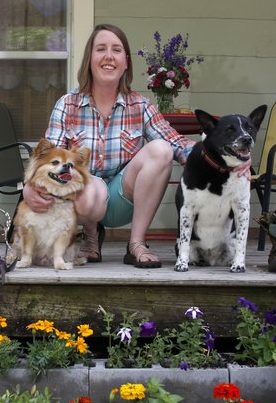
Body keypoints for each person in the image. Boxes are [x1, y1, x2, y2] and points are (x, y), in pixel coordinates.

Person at [21, 24, 195, 268]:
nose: (108, 56)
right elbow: (48, 158)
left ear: (126, 62)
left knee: (161, 150)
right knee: (88, 185)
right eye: (100, 49)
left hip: (124, 196)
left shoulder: (140, 105)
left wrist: (219, 158)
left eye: (117, 50)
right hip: (86, 198)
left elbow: (175, 142)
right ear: (89, 60)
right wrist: (29, 187)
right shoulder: (67, 104)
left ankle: (136, 243)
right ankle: (91, 236)